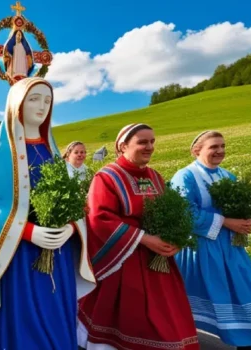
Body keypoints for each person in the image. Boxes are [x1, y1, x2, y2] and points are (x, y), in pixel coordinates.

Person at [0, 78, 95, 349]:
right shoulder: (2, 149)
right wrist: (28, 231)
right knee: (23, 322)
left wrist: (71, 227)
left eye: (47, 101)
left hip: (56, 253)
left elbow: (69, 199)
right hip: (18, 256)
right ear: (16, 104)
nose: (42, 106)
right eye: (34, 99)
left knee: (56, 317)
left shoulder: (51, 149)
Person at [77, 123, 199, 350]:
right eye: (143, 142)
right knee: (136, 318)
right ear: (123, 146)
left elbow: (171, 211)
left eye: (152, 141)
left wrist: (175, 239)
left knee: (167, 316)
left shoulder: (155, 176)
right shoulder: (107, 177)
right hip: (124, 260)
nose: (150, 147)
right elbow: (99, 218)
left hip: (159, 261)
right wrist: (144, 238)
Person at [172, 131, 251, 349]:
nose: (220, 151)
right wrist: (225, 221)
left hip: (230, 247)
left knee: (242, 289)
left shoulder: (227, 176)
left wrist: (244, 220)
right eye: (214, 146)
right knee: (206, 295)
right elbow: (184, 213)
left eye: (223, 146)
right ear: (197, 150)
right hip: (200, 248)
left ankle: (246, 341)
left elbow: (241, 206)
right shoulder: (186, 176)